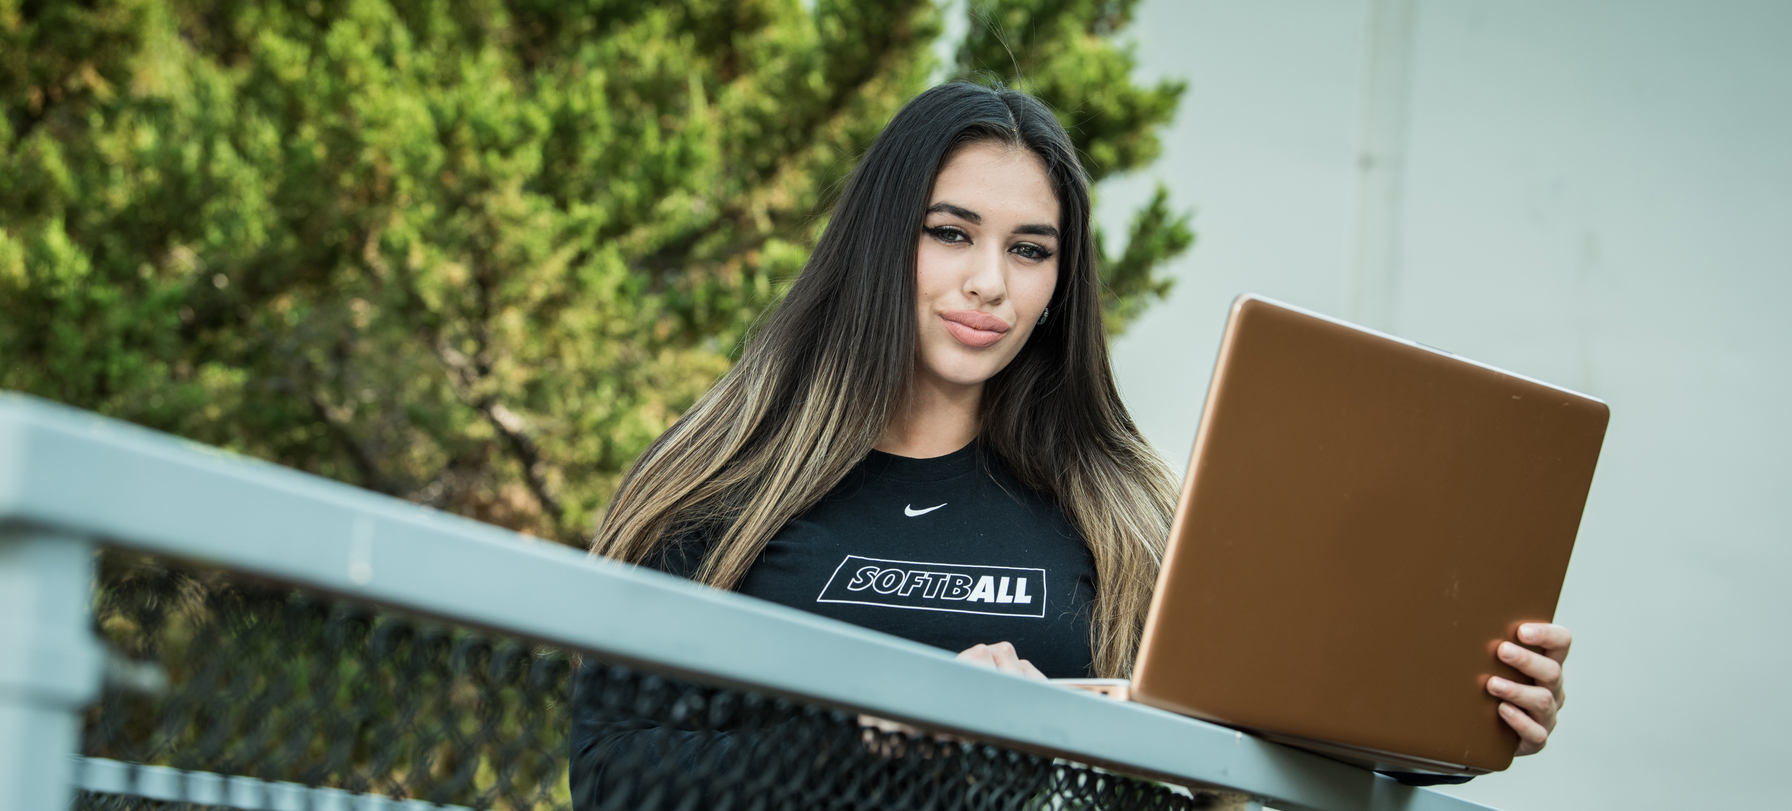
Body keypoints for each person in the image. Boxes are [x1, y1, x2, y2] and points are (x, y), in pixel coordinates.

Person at [574, 82, 1570, 796]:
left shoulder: (1125, 515)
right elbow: (614, 775)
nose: (989, 283)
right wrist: (881, 726)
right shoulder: (719, 491)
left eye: (1030, 249)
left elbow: (1265, 758)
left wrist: (1447, 725)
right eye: (950, 232)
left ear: (1061, 282)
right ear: (880, 241)